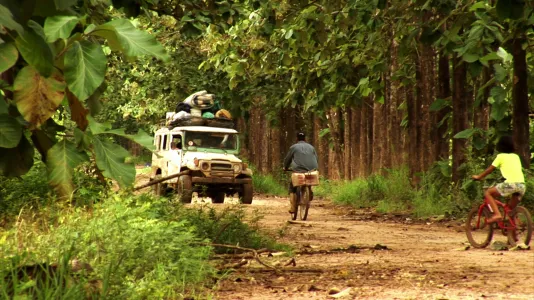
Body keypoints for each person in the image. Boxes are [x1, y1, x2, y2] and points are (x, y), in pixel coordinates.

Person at [472, 136, 526, 223]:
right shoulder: (516, 156)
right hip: (521, 186)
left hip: (510, 184)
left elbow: (489, 169)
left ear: (500, 146)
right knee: (510, 209)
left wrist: (479, 177)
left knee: (488, 193)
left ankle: (497, 214)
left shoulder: (500, 156)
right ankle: (514, 228)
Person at [283, 132, 319, 214]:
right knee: (308, 181)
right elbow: (316, 158)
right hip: (311, 170)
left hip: (298, 170)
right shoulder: (311, 147)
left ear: (297, 139)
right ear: (305, 139)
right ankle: (309, 190)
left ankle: (292, 207)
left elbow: (288, 159)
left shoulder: (294, 147)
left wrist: (285, 167)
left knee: (292, 187)